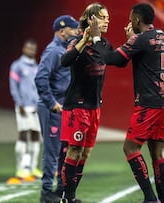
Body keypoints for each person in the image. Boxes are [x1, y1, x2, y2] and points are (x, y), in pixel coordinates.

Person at [93, 3, 164, 203]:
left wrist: (97, 37)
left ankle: (150, 198)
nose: (129, 21)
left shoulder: (141, 39)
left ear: (137, 19)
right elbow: (132, 59)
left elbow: (111, 58)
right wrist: (132, 40)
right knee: (158, 152)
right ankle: (162, 201)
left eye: (131, 17)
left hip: (150, 103)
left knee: (130, 148)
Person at [59, 3, 112, 203]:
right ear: (91, 20)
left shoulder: (104, 44)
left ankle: (71, 195)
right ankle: (67, 196)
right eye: (103, 17)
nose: (107, 20)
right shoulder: (75, 41)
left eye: (108, 17)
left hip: (95, 106)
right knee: (75, 149)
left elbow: (116, 59)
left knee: (86, 152)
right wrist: (85, 39)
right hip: (77, 105)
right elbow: (65, 61)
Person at [35, 15, 79, 203]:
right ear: (62, 31)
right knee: (52, 151)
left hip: (64, 108)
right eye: (73, 28)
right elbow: (40, 78)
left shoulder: (66, 50)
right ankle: (46, 192)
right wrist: (52, 103)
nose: (77, 31)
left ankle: (60, 190)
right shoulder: (53, 51)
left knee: (63, 151)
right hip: (52, 108)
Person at [9, 39, 42, 183]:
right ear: (24, 49)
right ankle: (21, 167)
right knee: (23, 135)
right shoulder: (17, 66)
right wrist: (19, 102)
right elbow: (13, 86)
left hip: (36, 107)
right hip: (23, 106)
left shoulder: (36, 66)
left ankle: (33, 167)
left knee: (36, 135)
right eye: (28, 48)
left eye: (33, 48)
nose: (31, 50)